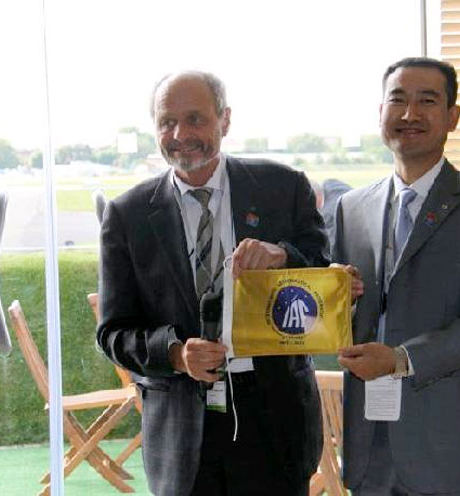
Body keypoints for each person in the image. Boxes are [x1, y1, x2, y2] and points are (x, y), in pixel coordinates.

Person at [97, 70, 327, 496]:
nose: (181, 133)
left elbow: (324, 272)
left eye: (195, 119)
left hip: (276, 425)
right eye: (166, 122)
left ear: (225, 120)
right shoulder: (127, 216)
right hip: (182, 435)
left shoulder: (284, 187)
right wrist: (175, 352)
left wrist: (282, 256)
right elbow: (113, 332)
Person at [333, 57, 460, 495]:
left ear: (452, 117)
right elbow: (342, 316)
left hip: (450, 447)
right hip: (370, 448)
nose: (409, 114)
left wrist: (402, 358)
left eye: (427, 101)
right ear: (380, 112)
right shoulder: (352, 208)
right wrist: (334, 296)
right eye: (397, 100)